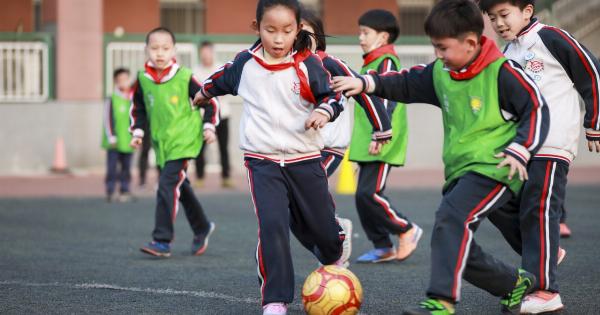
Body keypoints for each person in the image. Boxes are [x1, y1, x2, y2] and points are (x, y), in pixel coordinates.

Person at [331, 0, 550, 314]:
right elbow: (405, 83)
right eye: (435, 47)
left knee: (450, 220)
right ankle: (514, 285)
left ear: (471, 43)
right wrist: (366, 82)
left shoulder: (503, 73)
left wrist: (520, 147)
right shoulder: (441, 72)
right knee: (451, 240)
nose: (438, 55)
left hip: (497, 166)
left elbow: (537, 108)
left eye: (443, 48)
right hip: (461, 170)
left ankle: (441, 302)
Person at [192, 1, 366, 313]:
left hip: (306, 159)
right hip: (262, 161)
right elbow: (221, 78)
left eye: (286, 31)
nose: (277, 38)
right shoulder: (245, 63)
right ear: (256, 28)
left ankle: (334, 249)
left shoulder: (308, 63)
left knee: (323, 231)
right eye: (270, 30)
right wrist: (205, 93)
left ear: (298, 29)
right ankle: (275, 299)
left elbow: (333, 95)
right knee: (272, 225)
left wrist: (324, 110)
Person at [479, 0, 600, 312]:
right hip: (519, 147)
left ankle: (546, 292)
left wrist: (594, 123)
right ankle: (545, 252)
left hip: (552, 142)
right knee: (493, 200)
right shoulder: (506, 54)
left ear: (527, 11)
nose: (499, 23)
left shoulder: (551, 38)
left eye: (504, 15)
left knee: (539, 210)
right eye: (493, 18)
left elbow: (592, 73)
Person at [300, 7, 394, 266]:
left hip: (330, 147)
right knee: (294, 202)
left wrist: (381, 127)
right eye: (291, 31)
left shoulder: (329, 63)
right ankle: (332, 238)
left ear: (318, 36)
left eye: (303, 31)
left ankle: (335, 236)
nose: (296, 36)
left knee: (310, 190)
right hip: (301, 148)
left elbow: (363, 91)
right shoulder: (287, 68)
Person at [130, 27, 218, 258]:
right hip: (162, 144)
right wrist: (137, 131)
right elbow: (138, 108)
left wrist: (209, 126)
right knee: (181, 186)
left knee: (166, 185)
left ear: (174, 50)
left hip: (185, 141)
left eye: (165, 48)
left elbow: (209, 100)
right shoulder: (142, 79)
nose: (160, 53)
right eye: (155, 48)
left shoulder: (185, 76)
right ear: (146, 50)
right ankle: (202, 227)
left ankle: (161, 240)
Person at [352, 9, 423, 263]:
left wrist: (378, 133)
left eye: (365, 32)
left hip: (381, 138)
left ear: (382, 37)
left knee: (369, 194)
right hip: (368, 138)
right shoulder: (371, 61)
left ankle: (407, 229)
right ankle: (382, 245)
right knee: (362, 197)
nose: (360, 37)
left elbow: (385, 99)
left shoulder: (386, 62)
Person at [193, 41, 234, 188]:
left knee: (224, 147)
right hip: (203, 116)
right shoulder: (196, 71)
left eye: (208, 52)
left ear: (212, 52)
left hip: (223, 114)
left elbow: (228, 88)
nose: (205, 56)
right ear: (200, 54)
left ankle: (226, 178)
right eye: (203, 53)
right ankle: (199, 177)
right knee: (200, 148)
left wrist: (212, 94)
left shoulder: (222, 68)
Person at [102, 68, 134, 202]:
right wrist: (111, 136)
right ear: (115, 81)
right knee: (112, 167)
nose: (123, 82)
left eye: (125, 79)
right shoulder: (112, 99)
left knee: (126, 167)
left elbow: (136, 118)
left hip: (128, 140)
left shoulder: (133, 99)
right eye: (120, 80)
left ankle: (125, 190)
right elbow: (107, 118)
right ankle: (110, 191)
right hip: (115, 141)